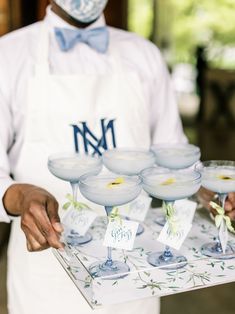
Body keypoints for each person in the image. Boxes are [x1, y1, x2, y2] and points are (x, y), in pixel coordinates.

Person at [0, 1, 231, 314]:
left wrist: (217, 194)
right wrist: (21, 194)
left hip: (134, 269)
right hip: (46, 277)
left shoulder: (144, 54)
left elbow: (173, 157)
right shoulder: (8, 56)